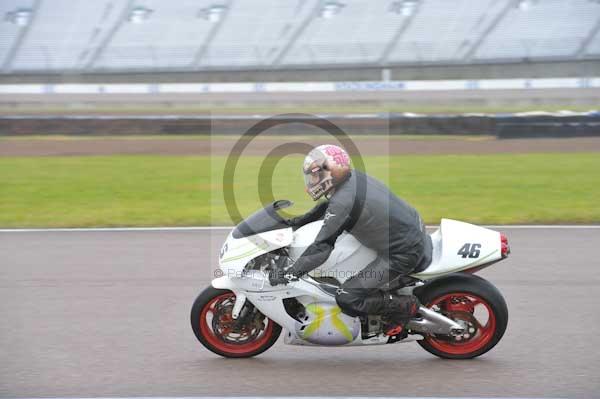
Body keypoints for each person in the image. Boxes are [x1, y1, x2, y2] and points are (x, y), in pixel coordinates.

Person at [269, 144, 432, 336]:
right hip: (410, 231)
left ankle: (405, 307)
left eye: (315, 175)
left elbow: (322, 246)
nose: (312, 181)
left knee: (348, 297)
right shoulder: (351, 180)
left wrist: (290, 274)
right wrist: (293, 223)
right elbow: (328, 208)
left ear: (331, 172)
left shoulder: (344, 201)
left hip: (402, 253)